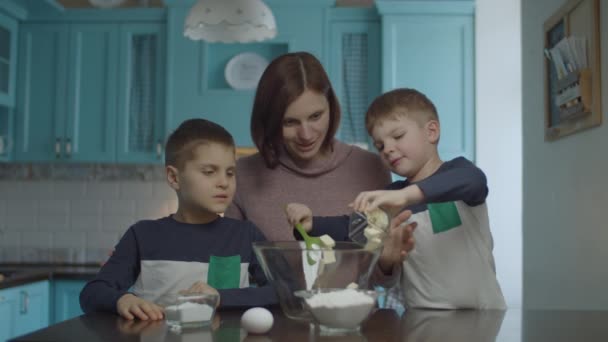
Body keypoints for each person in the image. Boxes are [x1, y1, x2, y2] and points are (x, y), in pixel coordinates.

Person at [286, 88, 506, 309]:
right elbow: (351, 228)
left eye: (398, 136)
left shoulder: (458, 174)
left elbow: (474, 180)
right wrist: (312, 223)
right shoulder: (390, 200)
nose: (388, 149)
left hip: (484, 317)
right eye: (380, 146)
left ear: (431, 131)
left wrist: (406, 195)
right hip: (422, 319)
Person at [80, 119, 277, 320]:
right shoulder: (142, 235)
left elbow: (282, 291)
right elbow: (92, 293)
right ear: (174, 178)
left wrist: (221, 297)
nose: (224, 183)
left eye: (230, 173)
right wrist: (122, 300)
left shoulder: (245, 234)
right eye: (209, 172)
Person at [224, 51, 392, 241]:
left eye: (315, 116)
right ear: (269, 120)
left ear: (331, 107)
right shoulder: (242, 175)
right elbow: (230, 262)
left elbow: (385, 257)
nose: (306, 135)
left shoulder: (372, 168)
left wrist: (389, 262)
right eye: (290, 122)